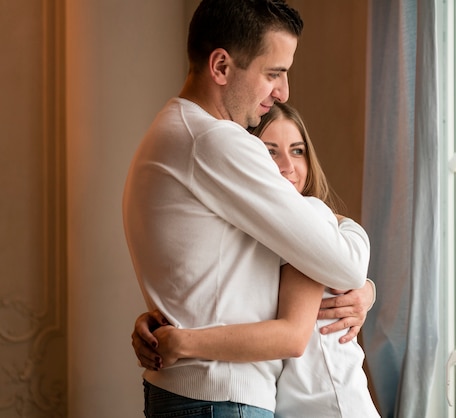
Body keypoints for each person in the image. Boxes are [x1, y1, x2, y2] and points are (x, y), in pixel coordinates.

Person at [122, 1, 371, 416]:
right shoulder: (216, 142)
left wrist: (365, 292)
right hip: (220, 398)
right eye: (273, 73)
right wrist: (356, 270)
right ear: (221, 66)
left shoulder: (173, 132)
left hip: (193, 392)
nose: (283, 93)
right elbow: (341, 265)